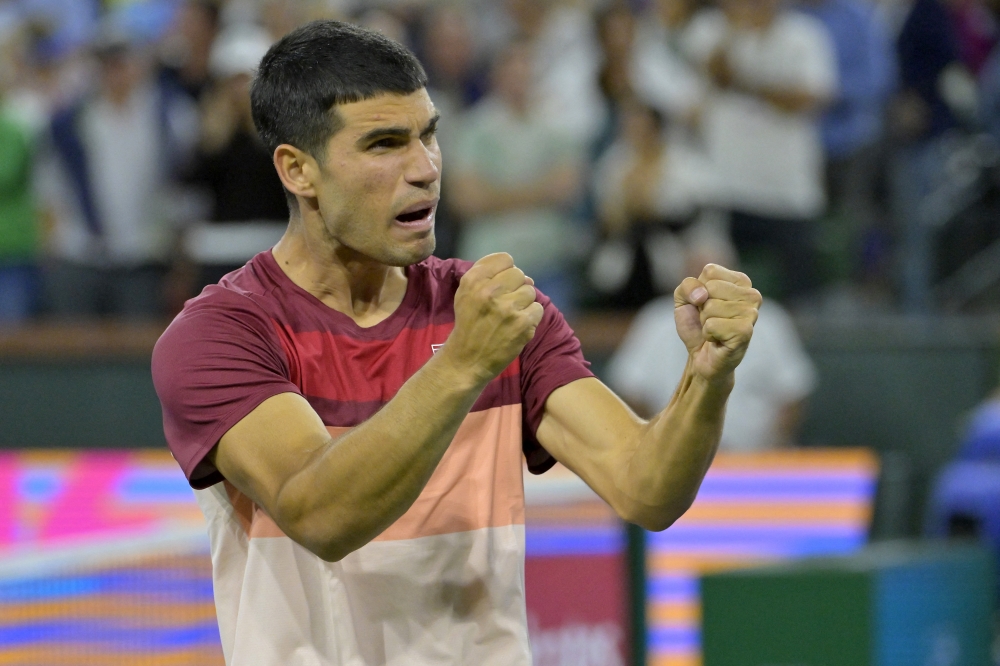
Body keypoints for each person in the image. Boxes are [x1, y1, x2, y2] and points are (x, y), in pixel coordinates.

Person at [151, 21, 761, 666]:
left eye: (429, 135)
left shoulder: (497, 312)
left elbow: (647, 488)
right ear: (299, 170)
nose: (424, 169)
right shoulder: (221, 334)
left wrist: (707, 375)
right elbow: (321, 514)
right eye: (384, 144)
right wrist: (465, 362)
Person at [608, 249, 816, 452]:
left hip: (753, 460)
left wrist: (772, 454)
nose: (705, 287)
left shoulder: (769, 320)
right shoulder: (655, 319)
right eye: (697, 276)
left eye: (716, 276)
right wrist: (655, 446)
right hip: (673, 459)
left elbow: (792, 393)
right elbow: (630, 388)